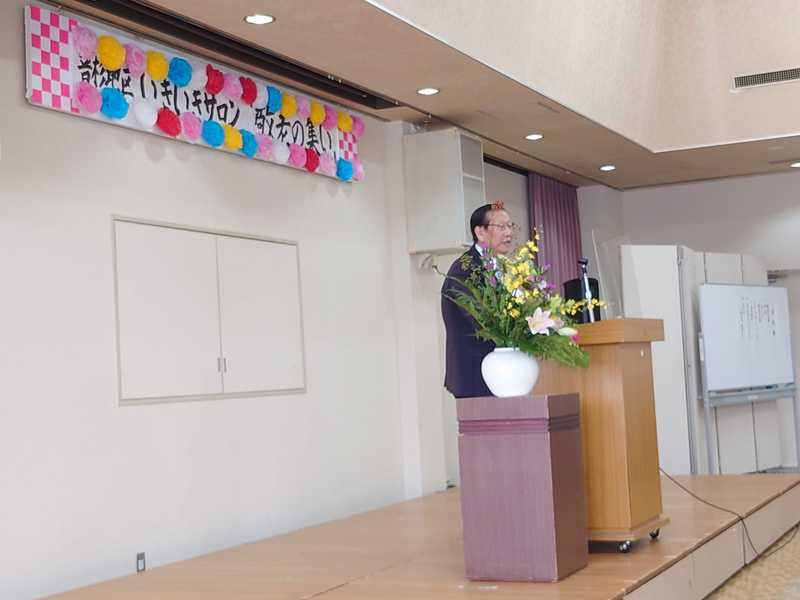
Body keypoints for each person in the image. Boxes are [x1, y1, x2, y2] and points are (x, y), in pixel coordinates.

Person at [441, 202, 515, 398]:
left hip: (500, 373)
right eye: (501, 227)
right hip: (475, 374)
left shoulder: (500, 266)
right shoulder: (465, 269)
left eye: (510, 226)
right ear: (480, 232)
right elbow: (482, 320)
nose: (508, 233)